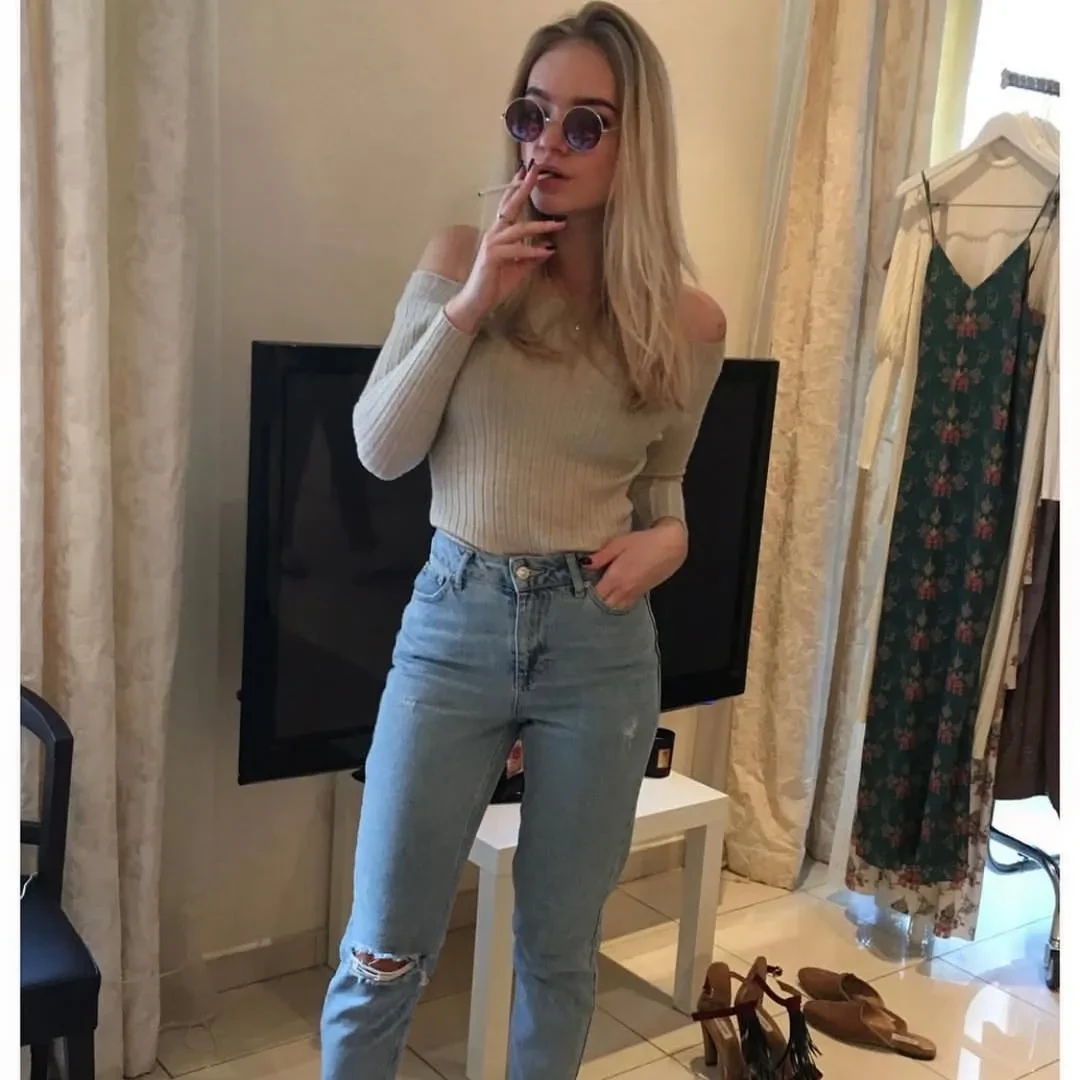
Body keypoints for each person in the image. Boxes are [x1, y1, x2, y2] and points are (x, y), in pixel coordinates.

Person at [320, 3, 725, 1077]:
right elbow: (380, 450)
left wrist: (673, 544)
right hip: (453, 620)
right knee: (380, 952)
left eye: (585, 124)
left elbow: (665, 487)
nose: (548, 143)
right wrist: (471, 304)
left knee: (558, 952)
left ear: (638, 144)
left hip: (599, 642)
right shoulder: (460, 259)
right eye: (532, 114)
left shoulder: (686, 325)